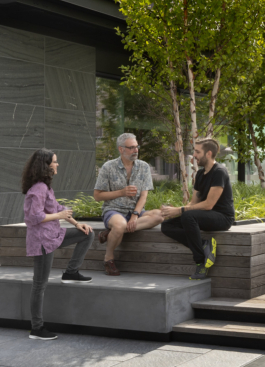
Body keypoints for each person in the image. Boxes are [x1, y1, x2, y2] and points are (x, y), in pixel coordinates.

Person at [22, 149, 94, 341]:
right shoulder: (38, 189)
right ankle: (36, 328)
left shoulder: (46, 188)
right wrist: (59, 216)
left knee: (86, 234)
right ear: (45, 166)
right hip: (43, 241)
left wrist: (78, 224)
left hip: (54, 235)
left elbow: (59, 209)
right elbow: (34, 217)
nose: (57, 164)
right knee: (39, 285)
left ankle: (71, 272)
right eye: (55, 161)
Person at [160, 138, 235, 280]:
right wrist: (173, 211)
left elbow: (208, 205)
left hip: (222, 217)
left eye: (197, 152)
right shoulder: (199, 174)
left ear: (208, 153)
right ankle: (203, 244)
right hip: (205, 215)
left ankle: (200, 262)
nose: (194, 155)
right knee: (167, 226)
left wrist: (181, 210)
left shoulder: (219, 172)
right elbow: (193, 203)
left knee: (188, 216)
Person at [93, 133, 163, 276]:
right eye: (131, 148)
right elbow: (97, 196)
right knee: (119, 225)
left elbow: (144, 196)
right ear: (121, 149)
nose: (135, 150)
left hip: (136, 211)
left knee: (160, 216)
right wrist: (121, 192)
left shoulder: (144, 167)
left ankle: (110, 234)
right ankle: (108, 258)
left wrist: (135, 215)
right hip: (114, 210)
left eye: (136, 147)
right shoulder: (108, 167)